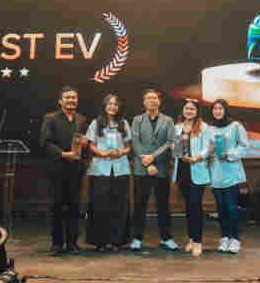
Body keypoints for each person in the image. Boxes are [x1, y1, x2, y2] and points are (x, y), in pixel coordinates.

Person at [39, 86, 88, 254]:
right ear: (60, 101)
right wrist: (63, 154)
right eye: (68, 97)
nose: (71, 100)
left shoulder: (81, 119)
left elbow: (83, 142)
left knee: (75, 206)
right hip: (57, 169)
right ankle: (57, 243)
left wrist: (85, 143)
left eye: (74, 97)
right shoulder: (50, 118)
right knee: (57, 206)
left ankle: (72, 243)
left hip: (76, 169)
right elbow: (45, 142)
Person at [130, 89, 178, 251]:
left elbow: (170, 142)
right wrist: (147, 163)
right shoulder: (137, 120)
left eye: (154, 98)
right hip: (141, 168)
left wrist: (153, 157)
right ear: (144, 102)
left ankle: (166, 238)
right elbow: (135, 142)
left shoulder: (168, 120)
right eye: (148, 98)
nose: (151, 100)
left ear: (159, 101)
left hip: (161, 168)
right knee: (139, 205)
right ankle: (137, 238)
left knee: (163, 205)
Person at [85, 94, 132, 252]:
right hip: (100, 169)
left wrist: (121, 152)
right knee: (100, 205)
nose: (113, 107)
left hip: (120, 169)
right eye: (110, 104)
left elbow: (128, 146)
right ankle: (100, 242)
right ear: (104, 106)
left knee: (119, 205)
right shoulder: (96, 123)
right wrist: (102, 153)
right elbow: (91, 145)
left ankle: (117, 241)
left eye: (115, 104)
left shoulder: (124, 123)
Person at [208, 99, 249, 254]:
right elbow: (207, 148)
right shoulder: (209, 128)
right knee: (221, 208)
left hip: (231, 171)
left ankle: (235, 239)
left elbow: (244, 145)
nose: (217, 111)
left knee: (232, 207)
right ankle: (224, 237)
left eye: (220, 108)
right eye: (215, 108)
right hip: (216, 172)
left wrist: (230, 154)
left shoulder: (235, 126)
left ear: (225, 110)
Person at [172, 99, 211, 257]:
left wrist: (197, 157)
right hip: (182, 170)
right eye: (186, 108)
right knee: (188, 206)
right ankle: (191, 238)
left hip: (197, 168)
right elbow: (175, 148)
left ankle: (198, 241)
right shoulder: (177, 127)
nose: (189, 111)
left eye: (192, 109)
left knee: (195, 205)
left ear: (197, 111)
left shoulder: (204, 127)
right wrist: (174, 149)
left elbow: (209, 147)